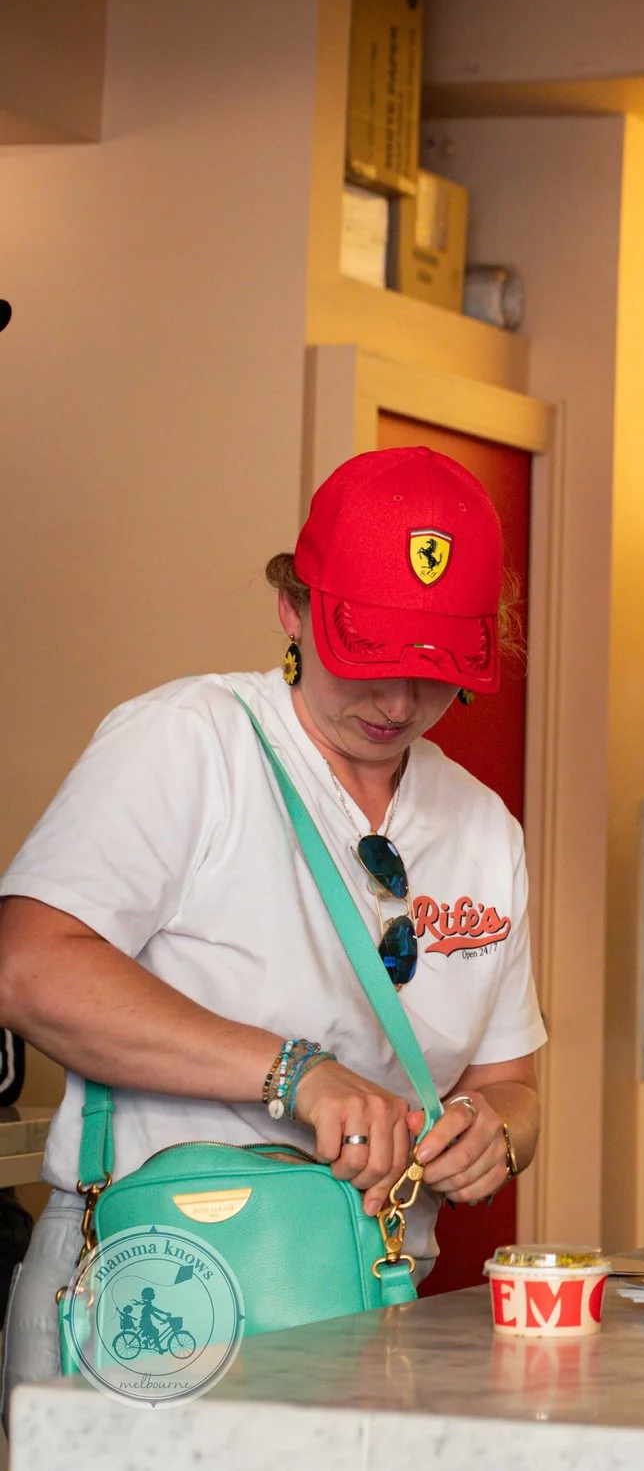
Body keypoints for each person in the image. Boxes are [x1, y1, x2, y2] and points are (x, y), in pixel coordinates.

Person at [0, 448, 544, 1398]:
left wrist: (495, 1130)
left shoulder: (484, 826)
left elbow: (512, 1081)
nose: (395, 702)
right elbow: (29, 967)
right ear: (292, 608)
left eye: (431, 671)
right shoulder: (190, 743)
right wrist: (294, 1072)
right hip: (161, 1283)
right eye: (365, 657)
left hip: (371, 1297)